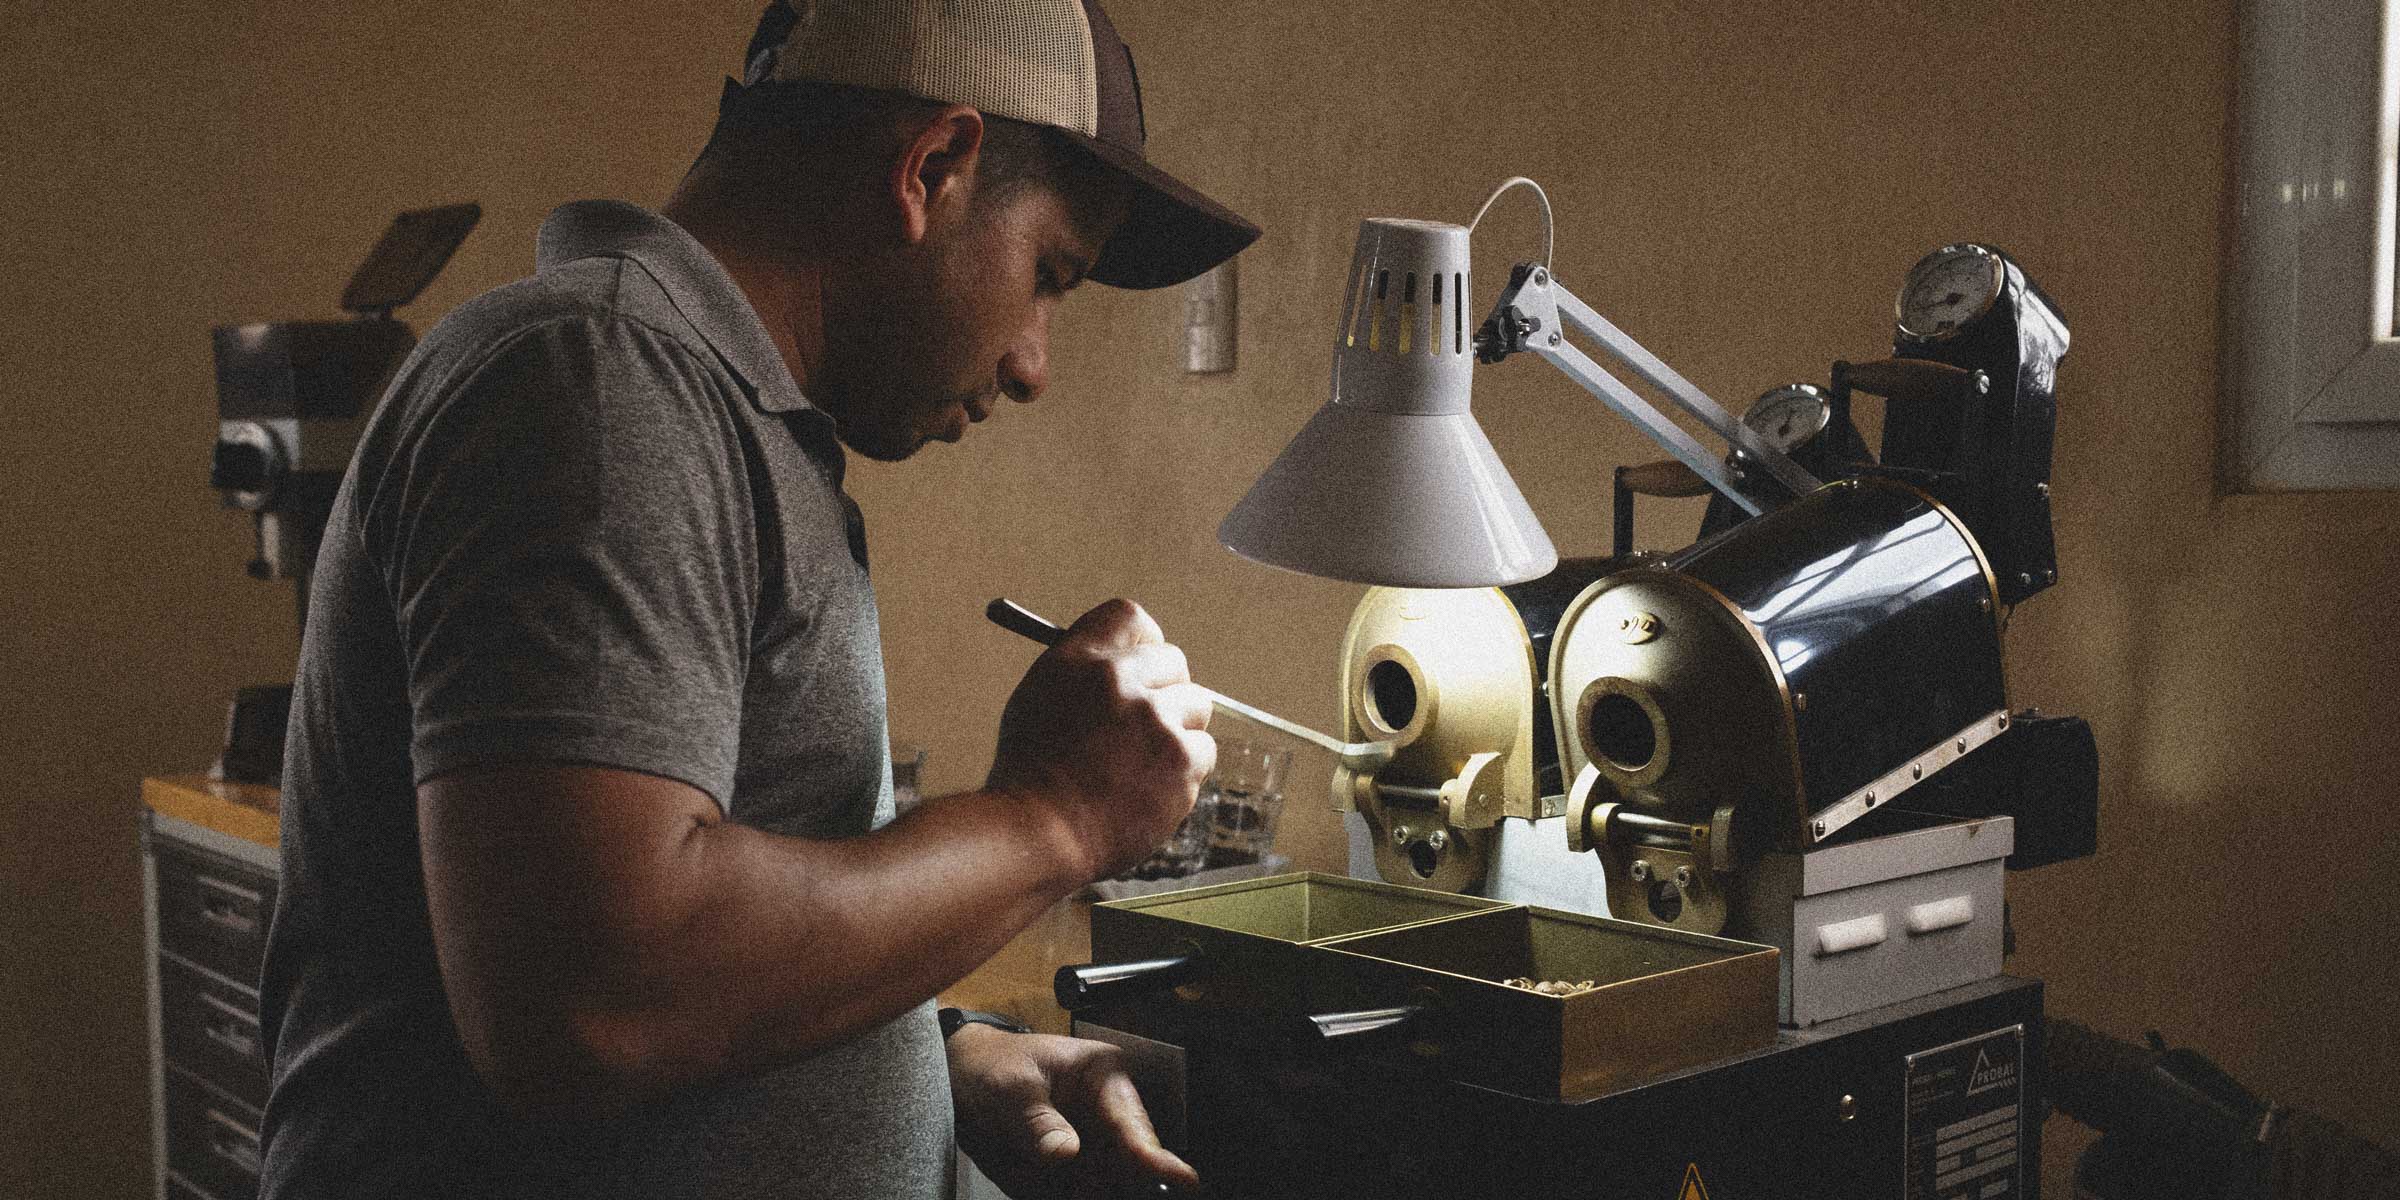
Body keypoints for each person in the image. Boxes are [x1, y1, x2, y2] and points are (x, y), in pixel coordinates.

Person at [255, 1, 1261, 1196]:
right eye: (1049, 275)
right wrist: (1057, 819)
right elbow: (594, 1005)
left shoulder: (705, 412)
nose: (1033, 363)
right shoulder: (603, 382)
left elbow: (712, 919)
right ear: (931, 167)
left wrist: (938, 1057)